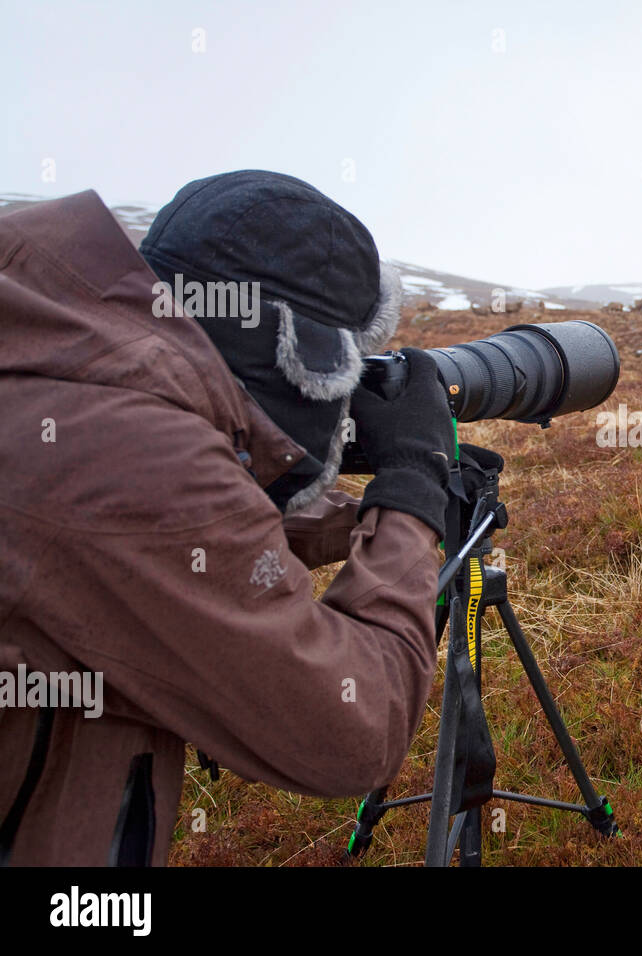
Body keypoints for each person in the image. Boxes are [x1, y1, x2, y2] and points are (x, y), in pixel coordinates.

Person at [0, 170, 455, 865]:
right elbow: (353, 733)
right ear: (297, 362)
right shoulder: (134, 457)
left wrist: (352, 515)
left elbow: (181, 538)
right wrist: (414, 497)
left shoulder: (61, 363)